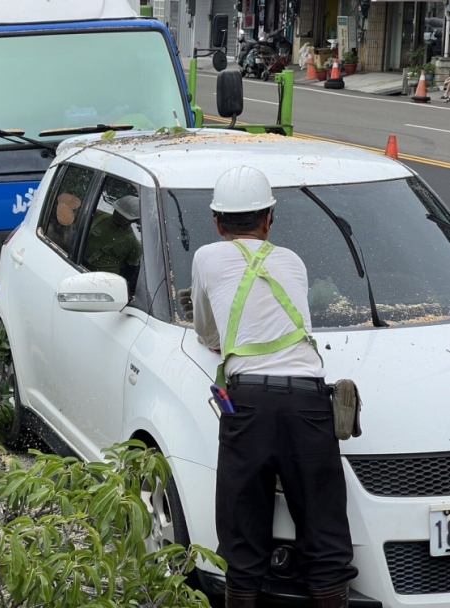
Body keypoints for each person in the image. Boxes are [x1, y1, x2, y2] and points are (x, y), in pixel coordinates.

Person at [188, 166, 357, 608]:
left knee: (243, 533)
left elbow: (206, 331)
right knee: (325, 534)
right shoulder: (293, 262)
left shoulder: (207, 257)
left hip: (247, 404)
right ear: (269, 220)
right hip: (308, 402)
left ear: (218, 222)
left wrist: (223, 344)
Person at [82, 195, 142, 291]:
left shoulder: (134, 245)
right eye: (117, 211)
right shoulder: (99, 216)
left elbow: (130, 275)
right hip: (79, 265)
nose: (118, 216)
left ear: (133, 220)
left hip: (103, 283)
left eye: (123, 216)